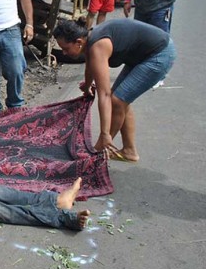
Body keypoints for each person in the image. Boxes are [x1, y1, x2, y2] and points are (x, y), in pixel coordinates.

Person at [53, 18, 176, 162]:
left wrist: (105, 133)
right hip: (141, 55)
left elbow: (104, 94)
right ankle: (129, 151)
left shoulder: (98, 45)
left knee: (117, 100)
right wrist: (87, 85)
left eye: (65, 48)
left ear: (79, 42)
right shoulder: (89, 41)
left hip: (159, 54)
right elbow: (90, 64)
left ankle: (100, 149)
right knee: (122, 99)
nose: (64, 53)